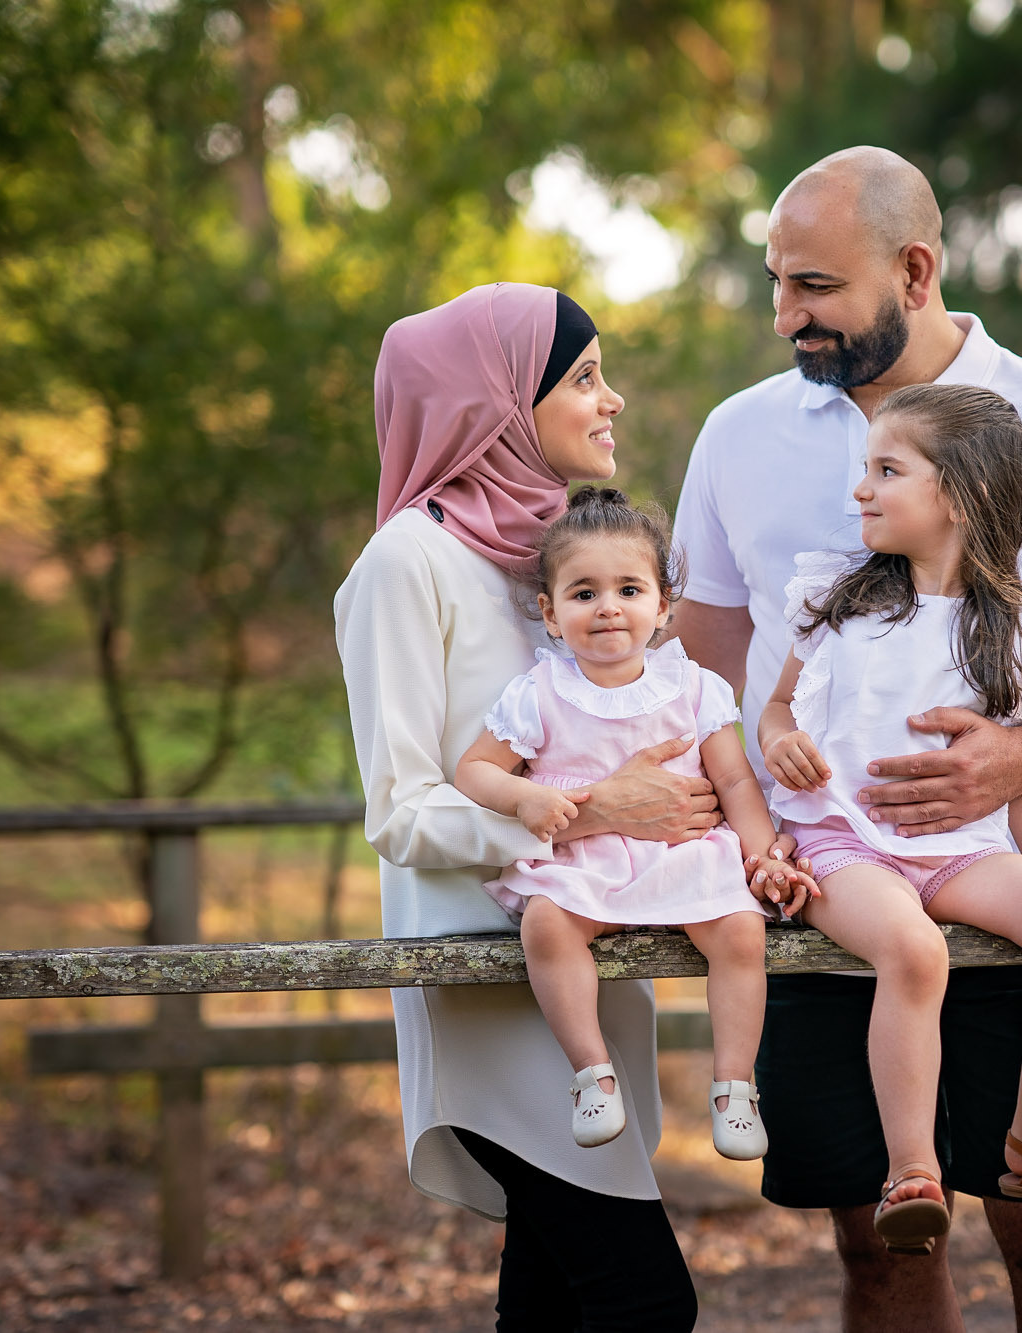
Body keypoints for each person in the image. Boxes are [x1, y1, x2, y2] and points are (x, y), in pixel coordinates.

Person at [672, 148, 1022, 1332]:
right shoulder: (735, 435)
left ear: (914, 270)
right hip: (821, 881)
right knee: (877, 1243)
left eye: (811, 286)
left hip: (1012, 871)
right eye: (773, 281)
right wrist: (728, 826)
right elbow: (697, 661)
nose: (782, 315)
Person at [335, 282, 729, 1331]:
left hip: (590, 973)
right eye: (585, 378)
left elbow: (676, 737)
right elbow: (401, 808)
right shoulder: (404, 563)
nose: (614, 401)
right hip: (484, 978)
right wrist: (591, 809)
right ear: (494, 401)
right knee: (641, 1299)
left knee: (553, 1304)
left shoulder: (566, 559)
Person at [758, 382, 1022, 1255]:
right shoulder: (836, 597)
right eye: (865, 468)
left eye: (887, 469)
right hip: (842, 843)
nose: (861, 489)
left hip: (961, 851)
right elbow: (778, 707)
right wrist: (782, 738)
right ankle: (912, 1170)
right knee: (913, 948)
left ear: (961, 494)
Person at [454, 486, 817, 1160]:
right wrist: (520, 797)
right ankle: (592, 1073)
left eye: (628, 588)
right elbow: (473, 769)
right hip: (584, 857)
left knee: (739, 930)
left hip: (684, 850)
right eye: (583, 593)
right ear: (551, 612)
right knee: (545, 924)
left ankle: (735, 1086)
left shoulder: (694, 686)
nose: (608, 607)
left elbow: (734, 778)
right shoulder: (538, 693)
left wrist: (763, 853)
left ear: (663, 607)